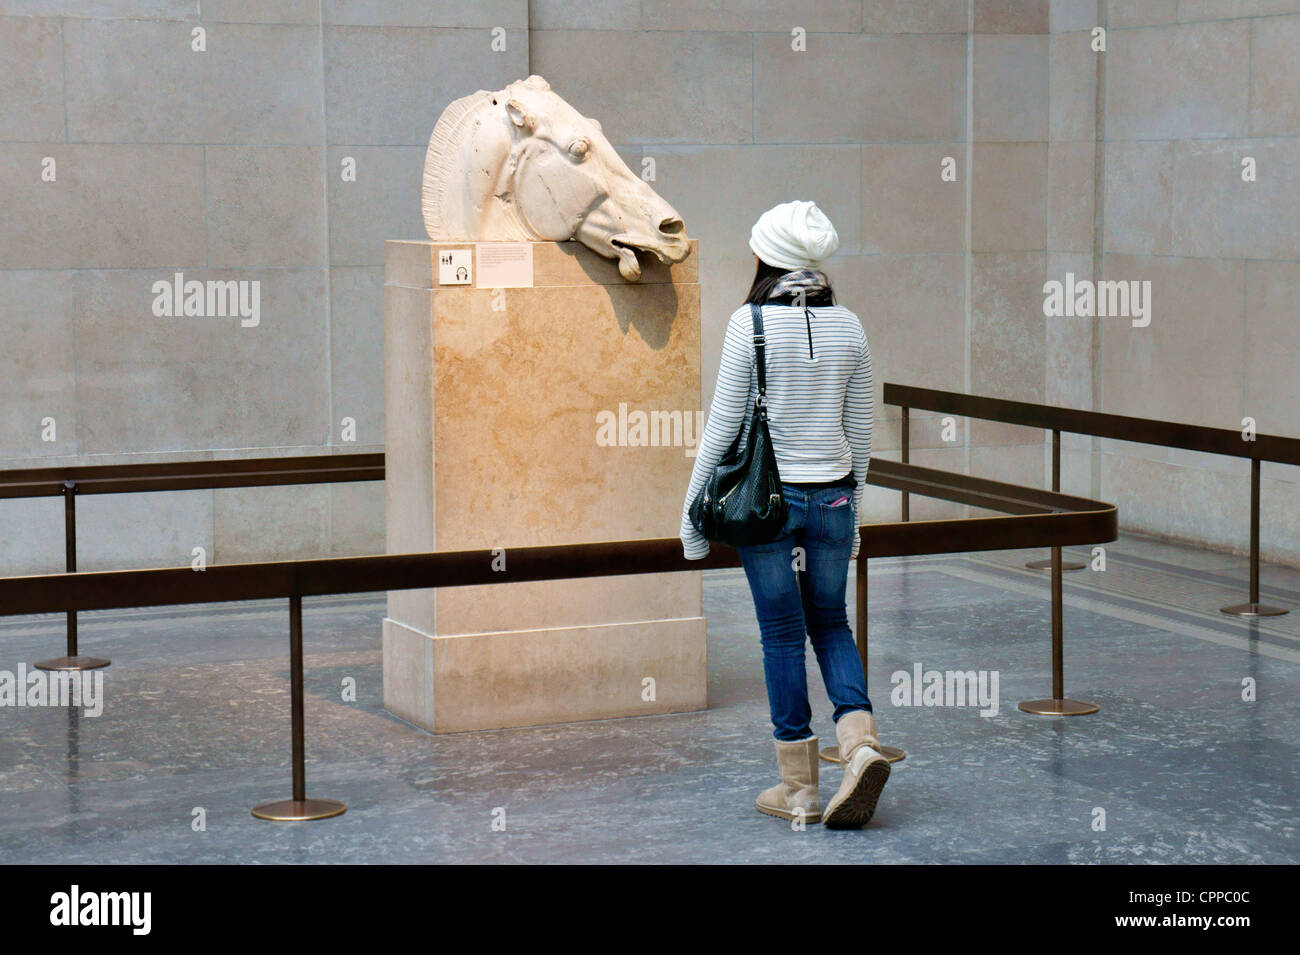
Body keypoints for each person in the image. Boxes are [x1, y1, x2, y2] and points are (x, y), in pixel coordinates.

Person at [679, 200, 889, 829]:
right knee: (831, 623)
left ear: (766, 257)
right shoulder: (849, 327)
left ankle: (798, 790)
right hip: (832, 497)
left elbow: (722, 428)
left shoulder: (749, 325)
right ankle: (861, 747)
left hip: (767, 506)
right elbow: (860, 430)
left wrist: (692, 516)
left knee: (780, 635)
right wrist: (853, 518)